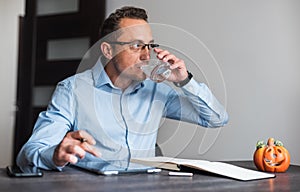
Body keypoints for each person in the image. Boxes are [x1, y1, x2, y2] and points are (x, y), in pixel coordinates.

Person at [17, 6, 228, 171]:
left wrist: (184, 80)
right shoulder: (72, 90)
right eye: (136, 45)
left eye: (149, 45)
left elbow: (216, 118)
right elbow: (29, 153)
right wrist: (55, 155)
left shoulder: (158, 90)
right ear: (108, 50)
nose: (147, 55)